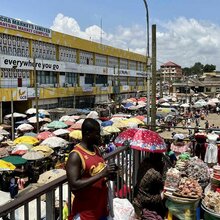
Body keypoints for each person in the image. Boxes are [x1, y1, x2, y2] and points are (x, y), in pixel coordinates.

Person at [66, 118, 118, 220]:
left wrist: (109, 175)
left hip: (101, 210)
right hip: (86, 214)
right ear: (88, 134)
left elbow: (99, 175)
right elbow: (74, 185)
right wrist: (102, 174)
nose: (99, 136)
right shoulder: (76, 155)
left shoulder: (96, 149)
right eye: (97, 133)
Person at [133, 153, 166, 219]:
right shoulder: (155, 173)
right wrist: (161, 169)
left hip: (137, 195)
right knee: (164, 197)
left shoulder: (144, 163)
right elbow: (163, 185)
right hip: (146, 200)